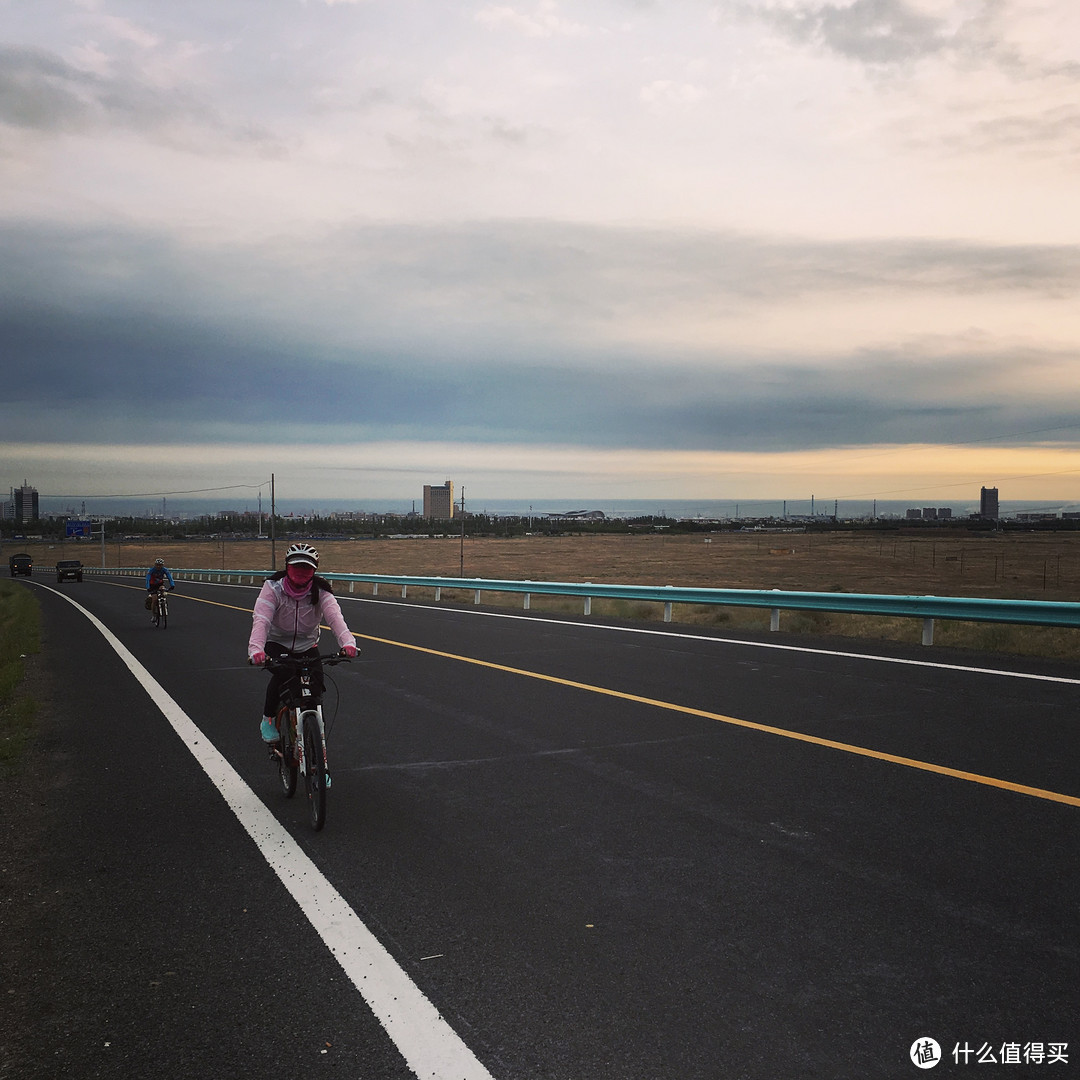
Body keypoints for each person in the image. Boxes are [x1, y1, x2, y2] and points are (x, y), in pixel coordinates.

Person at [248, 543, 357, 744]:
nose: (301, 572)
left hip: (307, 645)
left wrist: (348, 643)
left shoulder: (321, 591)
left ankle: (318, 751)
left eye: (306, 568)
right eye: (296, 567)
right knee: (284, 674)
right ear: (287, 568)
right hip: (277, 643)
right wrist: (256, 650)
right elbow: (261, 619)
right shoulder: (273, 588)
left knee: (316, 688)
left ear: (314, 571)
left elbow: (335, 619)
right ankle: (268, 719)